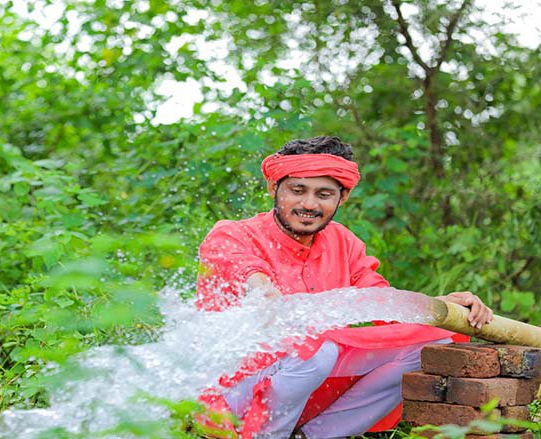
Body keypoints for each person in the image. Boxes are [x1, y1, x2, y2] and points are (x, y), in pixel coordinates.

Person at [195, 136, 493, 439]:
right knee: (315, 351)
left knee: (430, 346)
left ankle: (313, 436)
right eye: (297, 191)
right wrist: (262, 288)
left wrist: (440, 305)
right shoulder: (233, 233)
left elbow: (381, 301)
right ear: (274, 189)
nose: (309, 204)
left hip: (301, 382)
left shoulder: (343, 242)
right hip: (229, 388)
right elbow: (243, 268)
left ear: (343, 197)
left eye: (323, 194)